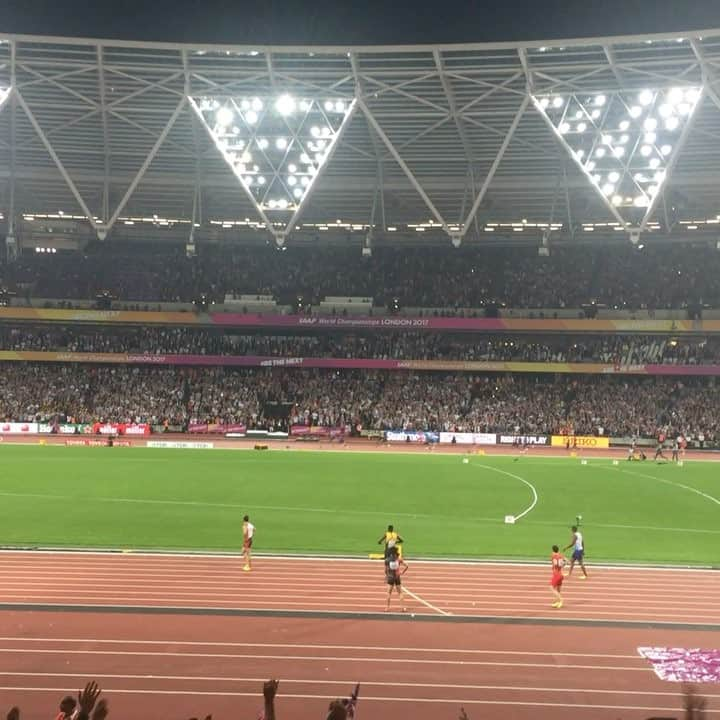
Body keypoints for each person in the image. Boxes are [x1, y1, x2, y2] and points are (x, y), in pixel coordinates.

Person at [385, 545, 408, 612]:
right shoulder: (399, 559)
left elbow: (386, 570)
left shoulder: (387, 560)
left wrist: (387, 576)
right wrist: (402, 572)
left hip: (390, 577)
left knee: (389, 593)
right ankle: (402, 608)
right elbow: (407, 566)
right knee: (400, 592)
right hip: (397, 577)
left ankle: (387, 608)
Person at [550, 544, 566, 609]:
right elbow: (564, 563)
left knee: (551, 588)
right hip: (561, 574)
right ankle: (557, 601)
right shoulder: (560, 555)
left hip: (556, 574)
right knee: (558, 589)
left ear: (553, 550)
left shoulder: (552, 555)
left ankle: (561, 600)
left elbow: (553, 561)